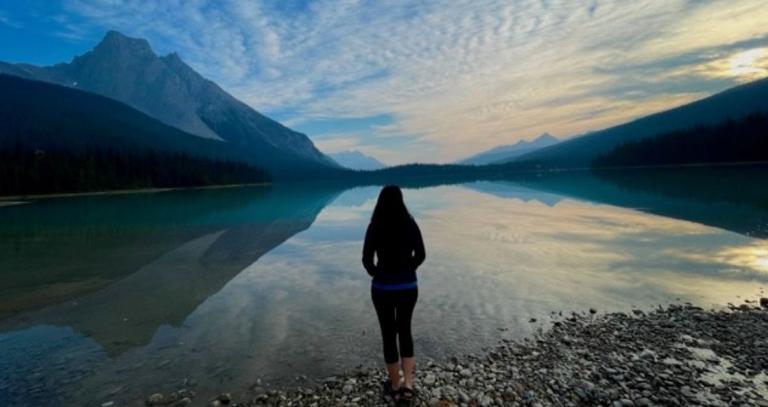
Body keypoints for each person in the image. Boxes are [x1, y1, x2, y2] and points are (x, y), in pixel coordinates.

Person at [362, 185, 426, 405]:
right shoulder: (410, 223)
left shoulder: (374, 226)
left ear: (379, 202)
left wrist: (378, 274)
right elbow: (421, 254)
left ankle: (395, 386)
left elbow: (367, 260)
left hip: (383, 289)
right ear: (401, 201)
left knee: (389, 334)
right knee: (405, 330)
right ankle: (408, 385)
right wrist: (408, 270)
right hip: (408, 287)